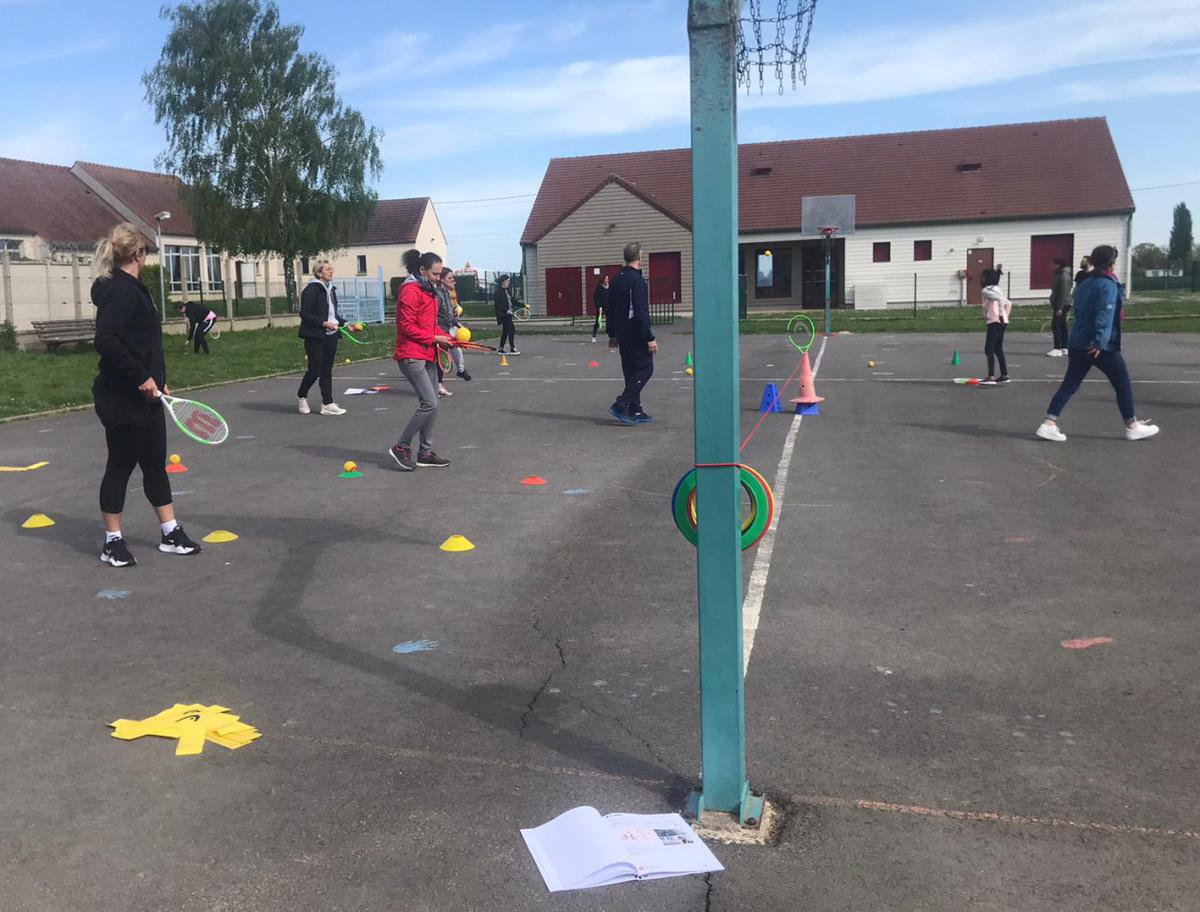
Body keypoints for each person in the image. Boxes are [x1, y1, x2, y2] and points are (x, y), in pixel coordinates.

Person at [91, 222, 201, 567]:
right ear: (139, 254)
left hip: (148, 396)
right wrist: (141, 377)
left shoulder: (136, 289)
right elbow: (106, 340)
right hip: (121, 397)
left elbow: (142, 343)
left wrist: (158, 380)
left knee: (155, 465)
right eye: (148, 252)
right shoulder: (121, 292)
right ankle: (112, 542)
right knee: (120, 466)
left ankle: (170, 532)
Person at [1036, 244, 1159, 443]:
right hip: (1099, 345)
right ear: (1111, 263)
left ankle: (1048, 423)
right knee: (1122, 383)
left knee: (1070, 383)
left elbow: (1080, 310)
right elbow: (1106, 313)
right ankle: (1132, 426)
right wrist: (1100, 341)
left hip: (1078, 342)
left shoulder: (1085, 283)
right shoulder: (1108, 285)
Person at [390, 248, 454, 471]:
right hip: (411, 354)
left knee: (432, 404)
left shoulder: (429, 291)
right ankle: (401, 446)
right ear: (422, 270)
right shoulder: (410, 291)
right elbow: (406, 327)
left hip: (427, 353)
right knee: (430, 403)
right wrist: (433, 336)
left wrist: (442, 336)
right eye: (435, 274)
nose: (438, 278)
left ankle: (425, 452)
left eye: (439, 274)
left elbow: (427, 324)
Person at [606, 242, 657, 424]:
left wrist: (612, 333)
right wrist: (649, 337)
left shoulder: (616, 279)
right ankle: (622, 403)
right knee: (645, 368)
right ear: (639, 258)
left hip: (621, 333)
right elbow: (640, 310)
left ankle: (635, 409)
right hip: (635, 333)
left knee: (631, 371)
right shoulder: (636, 281)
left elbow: (609, 309)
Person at [297, 260, 346, 416]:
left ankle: (328, 403)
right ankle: (301, 396)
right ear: (319, 273)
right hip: (315, 335)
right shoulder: (311, 289)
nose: (331, 272)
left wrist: (346, 324)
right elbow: (304, 314)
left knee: (327, 370)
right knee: (314, 370)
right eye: (327, 269)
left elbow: (333, 315)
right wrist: (324, 323)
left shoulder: (331, 289)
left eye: (332, 269)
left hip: (331, 335)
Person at [979, 265, 1011, 385]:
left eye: (982, 278)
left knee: (989, 349)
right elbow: (1008, 302)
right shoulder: (997, 288)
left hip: (995, 321)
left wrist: (1002, 314)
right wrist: (1005, 317)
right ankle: (1004, 374)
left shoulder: (986, 290)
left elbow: (1000, 300)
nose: (980, 280)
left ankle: (991, 376)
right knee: (998, 349)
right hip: (1002, 322)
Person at [442, 269, 470, 381]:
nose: (453, 281)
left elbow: (457, 307)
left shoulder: (452, 291)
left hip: (452, 324)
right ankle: (438, 379)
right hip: (443, 325)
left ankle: (461, 370)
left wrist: (459, 311)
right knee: (443, 350)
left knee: (456, 348)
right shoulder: (439, 293)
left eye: (453, 278)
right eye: (450, 278)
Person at [1047, 257, 1072, 357]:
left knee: (1056, 325)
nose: (1051, 266)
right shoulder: (1059, 275)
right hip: (1061, 303)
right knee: (1062, 325)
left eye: (1053, 264)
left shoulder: (1063, 276)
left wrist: (1060, 308)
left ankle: (1057, 348)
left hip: (1062, 304)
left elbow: (1063, 292)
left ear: (1058, 265)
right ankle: (1065, 347)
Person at [493, 275, 521, 355]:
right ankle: (512, 348)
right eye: (507, 281)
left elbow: (513, 301)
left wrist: (523, 305)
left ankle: (501, 348)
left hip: (509, 314)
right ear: (503, 282)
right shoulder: (497, 292)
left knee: (505, 331)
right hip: (503, 315)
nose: (508, 282)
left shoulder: (508, 290)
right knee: (511, 329)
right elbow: (498, 305)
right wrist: (506, 311)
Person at [591, 273, 609, 343]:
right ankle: (594, 336)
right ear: (603, 280)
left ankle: (612, 336)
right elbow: (596, 298)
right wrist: (599, 306)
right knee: (598, 321)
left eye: (608, 279)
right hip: (601, 307)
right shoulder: (599, 287)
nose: (607, 280)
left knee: (610, 321)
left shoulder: (609, 287)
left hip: (608, 307)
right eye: (606, 279)